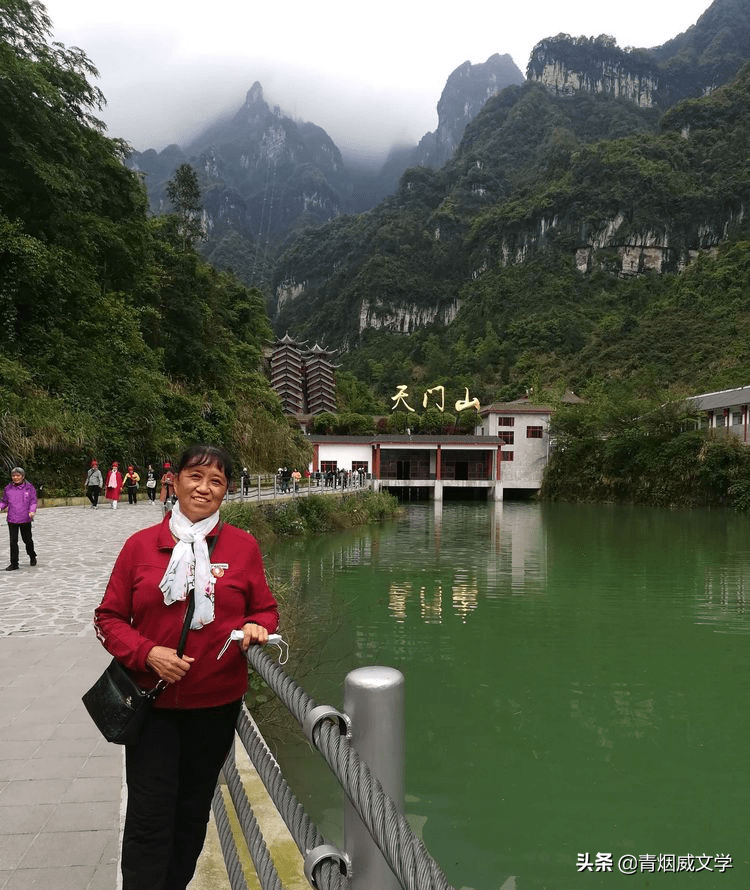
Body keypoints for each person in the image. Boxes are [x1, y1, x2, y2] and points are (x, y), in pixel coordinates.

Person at [93, 444, 278, 890]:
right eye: (196, 477)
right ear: (174, 481)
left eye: (216, 481)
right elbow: (108, 618)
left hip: (214, 707)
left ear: (226, 491)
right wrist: (147, 654)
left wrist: (257, 626)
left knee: (192, 811)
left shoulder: (242, 546)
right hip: (151, 706)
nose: (205, 488)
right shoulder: (140, 546)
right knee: (149, 814)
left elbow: (267, 610)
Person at [1, 467, 38, 570]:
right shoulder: (8, 488)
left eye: (18, 475)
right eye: (13, 476)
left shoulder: (29, 488)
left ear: (23, 476)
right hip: (12, 518)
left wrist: (32, 511)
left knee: (27, 540)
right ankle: (14, 563)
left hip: (25, 518)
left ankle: (32, 555)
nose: (15, 477)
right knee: (13, 541)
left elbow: (33, 501)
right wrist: (0, 506)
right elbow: (4, 501)